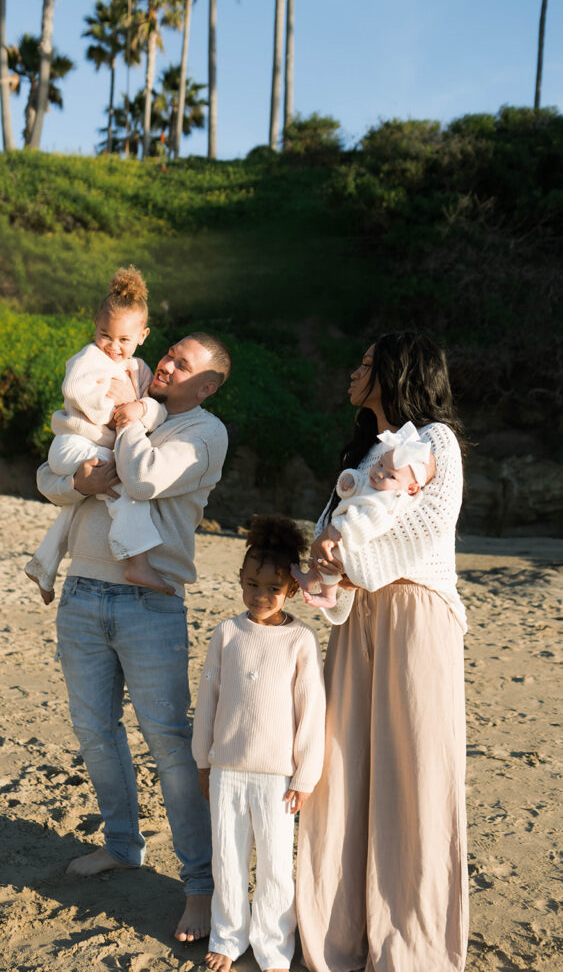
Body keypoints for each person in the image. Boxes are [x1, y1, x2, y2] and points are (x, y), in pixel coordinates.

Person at [35, 330, 231, 942]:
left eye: (183, 363)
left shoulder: (203, 432)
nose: (166, 364)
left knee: (170, 746)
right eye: (167, 354)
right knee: (95, 733)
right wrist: (81, 483)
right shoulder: (124, 403)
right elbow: (48, 472)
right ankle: (122, 845)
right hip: (82, 594)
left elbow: (143, 479)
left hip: (151, 603)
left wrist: (126, 424)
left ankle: (200, 886)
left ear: (208, 384)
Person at [296, 330, 469, 972]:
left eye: (368, 364)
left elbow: (427, 529)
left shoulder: (437, 442)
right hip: (356, 618)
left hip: (416, 611)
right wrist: (322, 561)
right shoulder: (365, 449)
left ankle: (413, 948)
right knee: (338, 773)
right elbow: (331, 528)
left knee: (416, 775)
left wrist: (349, 559)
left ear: (397, 374)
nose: (355, 371)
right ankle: (334, 938)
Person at [192, 515, 325, 972]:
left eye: (272, 586)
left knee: (273, 868)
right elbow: (207, 698)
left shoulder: (300, 639)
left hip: (278, 778)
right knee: (227, 860)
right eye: (251, 583)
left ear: (291, 587)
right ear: (240, 581)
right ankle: (228, 937)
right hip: (227, 767)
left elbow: (312, 711)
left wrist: (305, 774)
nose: (259, 595)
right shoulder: (227, 633)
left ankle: (272, 946)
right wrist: (203, 762)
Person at [25, 266, 171, 605]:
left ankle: (43, 565)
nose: (113, 347)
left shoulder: (140, 369)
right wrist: (114, 414)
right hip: (73, 444)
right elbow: (76, 390)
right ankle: (137, 560)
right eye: (105, 335)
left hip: (91, 448)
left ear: (143, 336)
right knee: (125, 482)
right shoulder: (88, 358)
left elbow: (155, 408)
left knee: (76, 509)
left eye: (123, 339)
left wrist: (141, 410)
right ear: (95, 328)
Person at [291, 420, 436, 621]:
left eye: (390, 475)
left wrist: (335, 531)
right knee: (325, 558)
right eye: (380, 464)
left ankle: (328, 595)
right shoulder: (377, 485)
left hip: (349, 539)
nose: (378, 473)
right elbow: (359, 486)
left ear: (411, 488)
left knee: (331, 559)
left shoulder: (389, 502)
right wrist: (349, 480)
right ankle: (310, 578)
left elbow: (368, 522)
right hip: (340, 531)